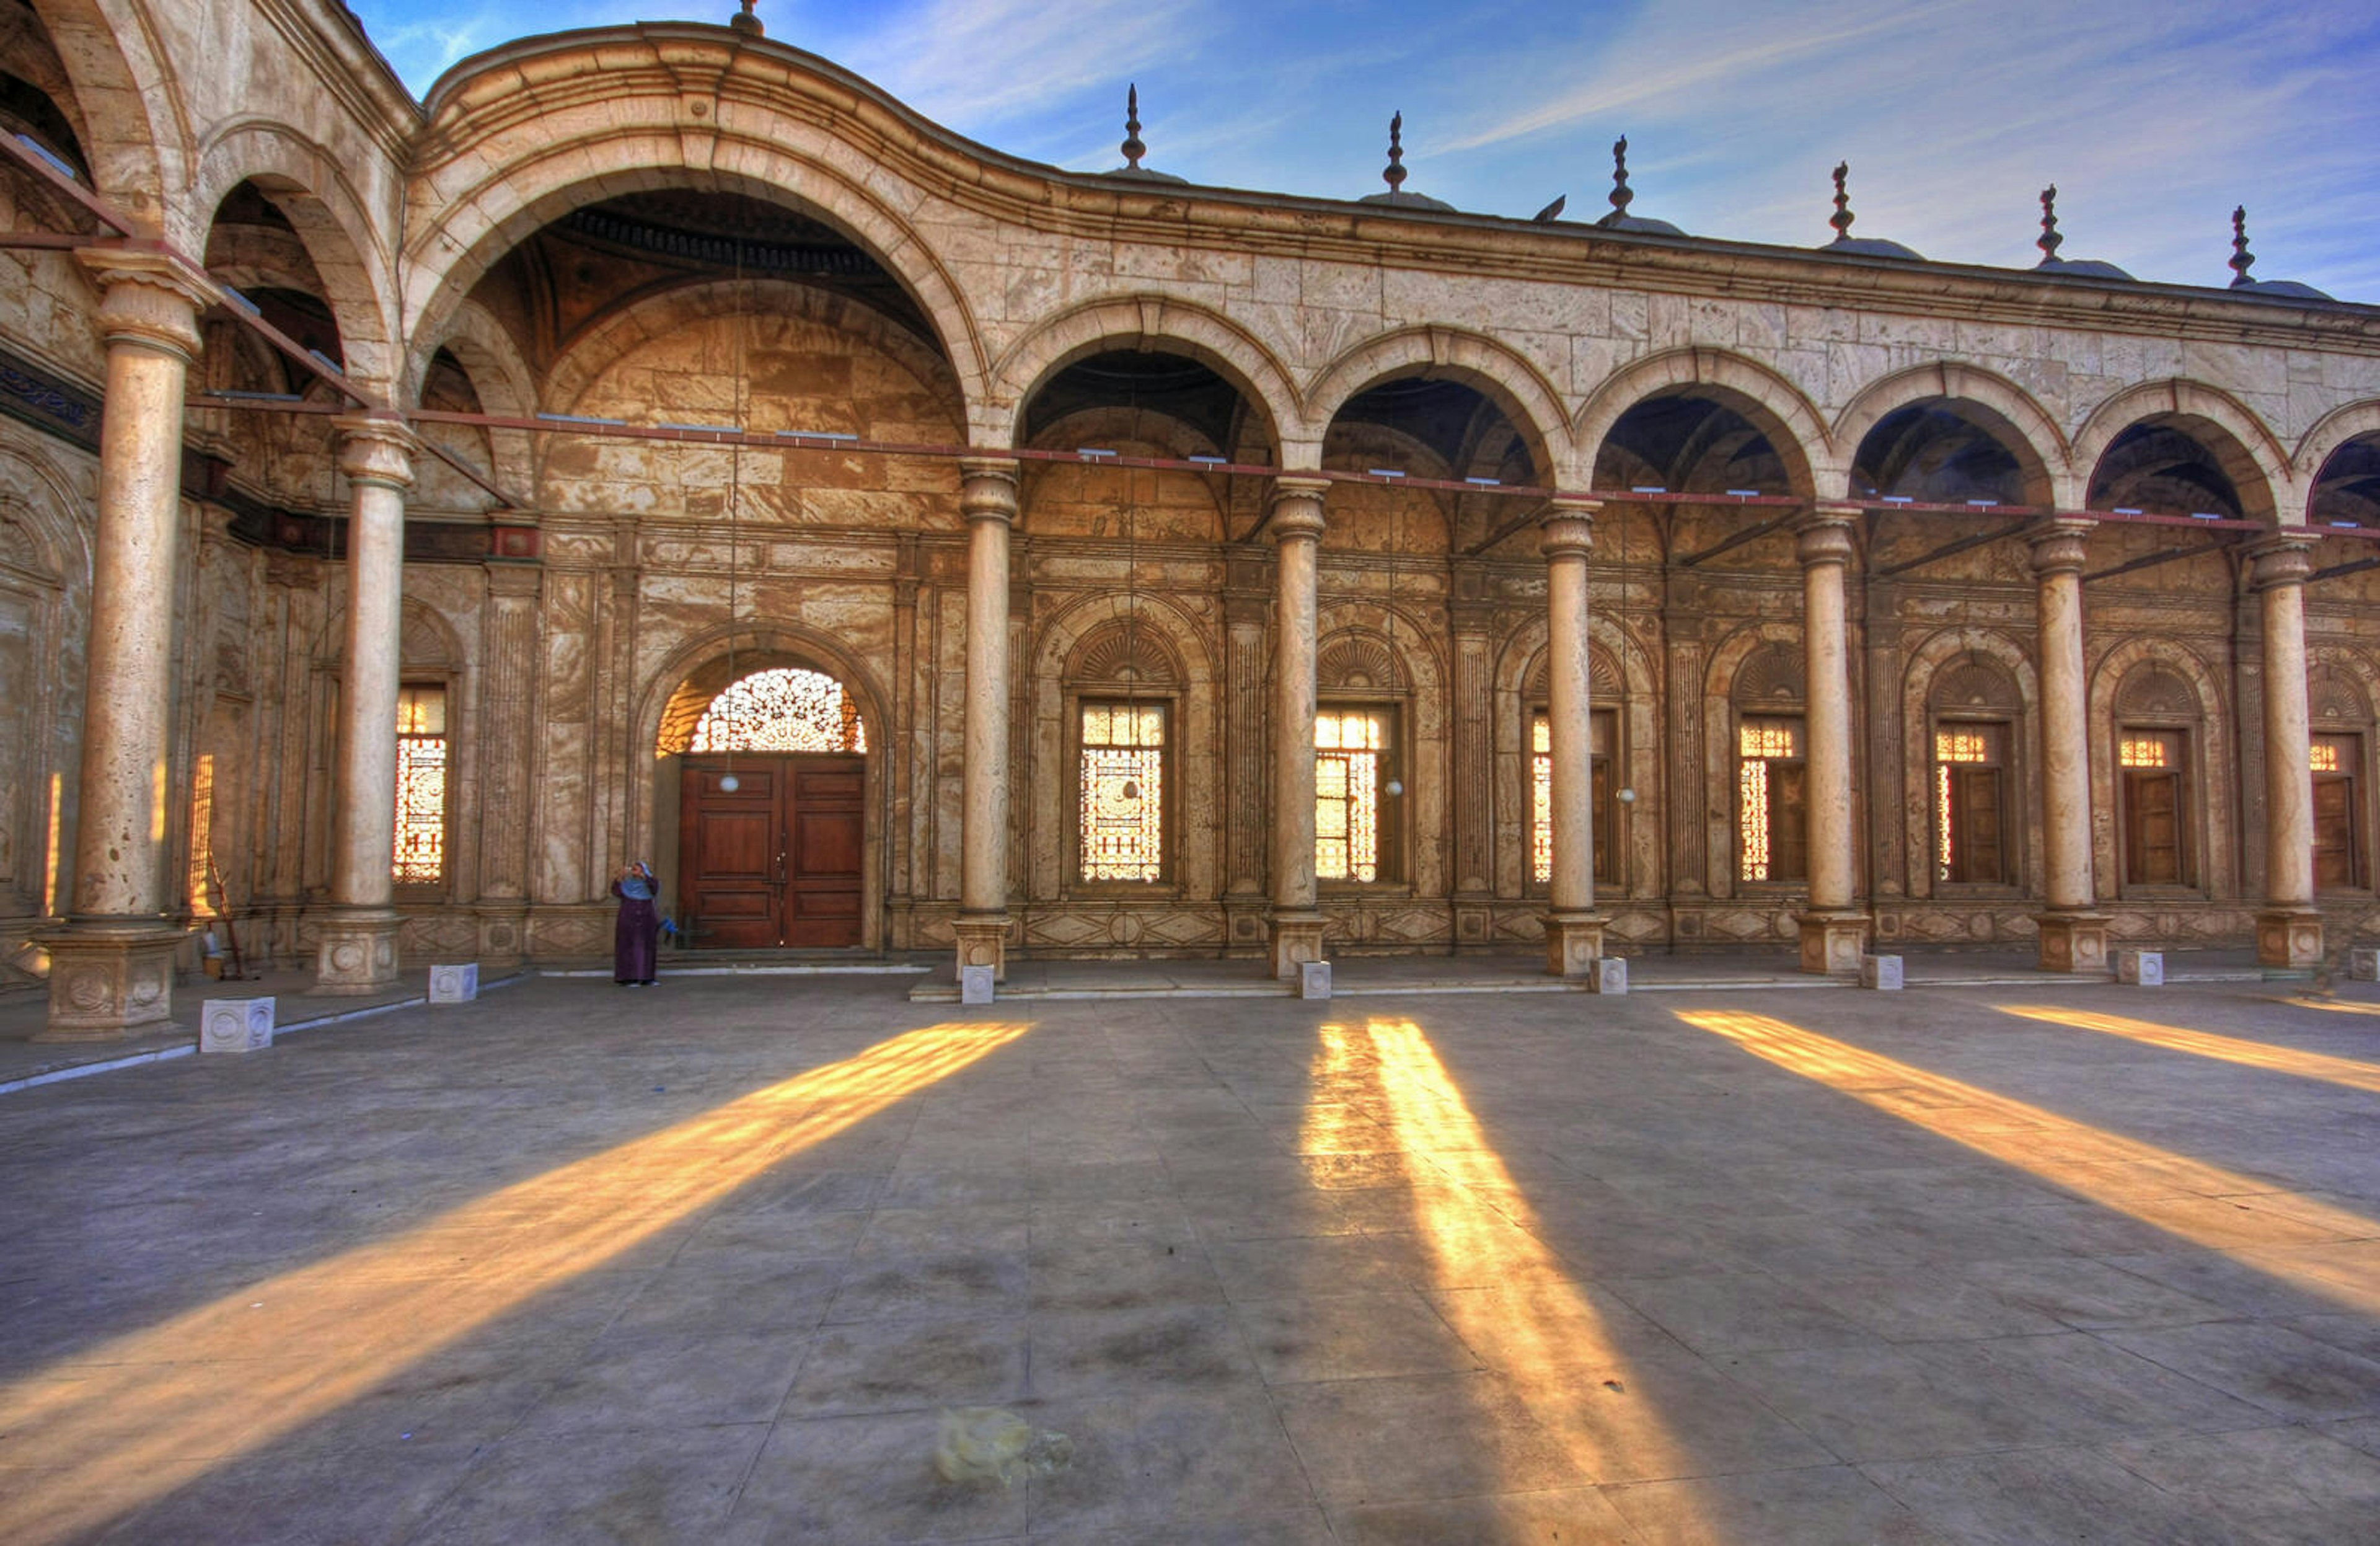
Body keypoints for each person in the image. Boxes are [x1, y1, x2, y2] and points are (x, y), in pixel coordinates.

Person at [610, 861, 661, 986]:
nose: (635, 872)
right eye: (633, 869)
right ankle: (629, 978)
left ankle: (647, 977)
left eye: (638, 869)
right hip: (629, 917)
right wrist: (620, 877)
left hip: (647, 918)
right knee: (628, 946)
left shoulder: (650, 883)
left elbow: (654, 889)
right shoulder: (627, 884)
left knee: (647, 946)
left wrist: (644, 877)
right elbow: (616, 892)